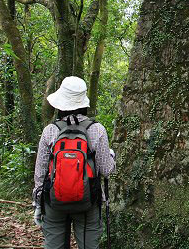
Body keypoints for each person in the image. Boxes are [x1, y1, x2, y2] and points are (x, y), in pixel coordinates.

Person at [33, 76, 116, 249]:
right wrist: (111, 157)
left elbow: (40, 173)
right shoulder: (97, 130)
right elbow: (106, 170)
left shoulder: (50, 131)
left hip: (54, 202)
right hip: (88, 202)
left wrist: (38, 204)